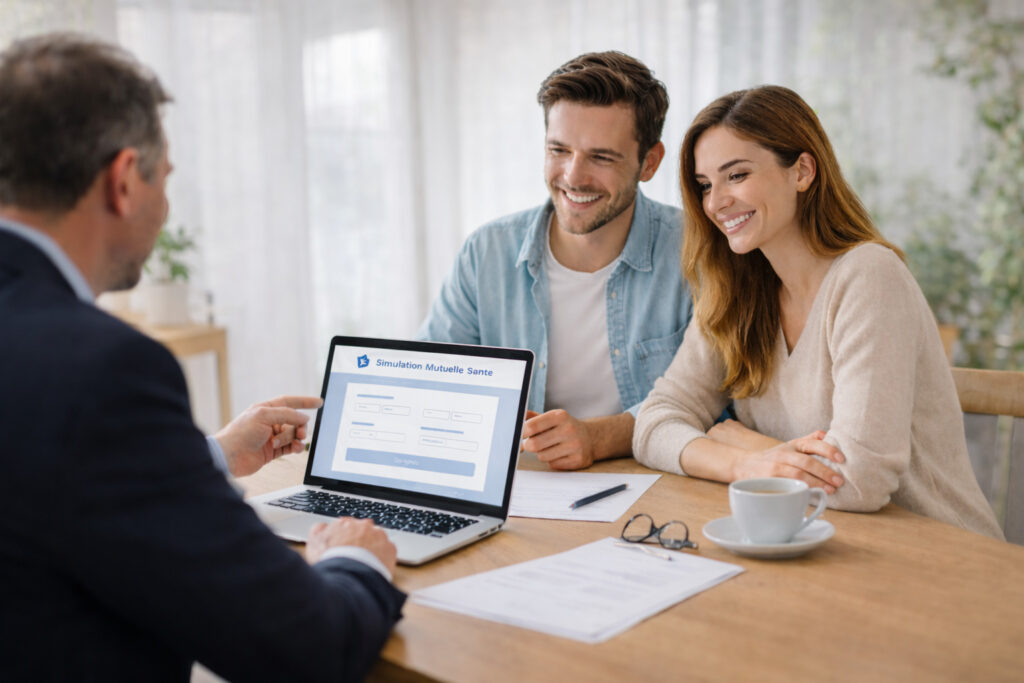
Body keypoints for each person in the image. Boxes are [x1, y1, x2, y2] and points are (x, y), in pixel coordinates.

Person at [0, 33, 405, 682]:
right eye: (167, 179)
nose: (165, 209)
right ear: (125, 179)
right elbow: (302, 647)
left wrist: (207, 454)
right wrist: (355, 559)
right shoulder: (102, 369)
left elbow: (41, 469)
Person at [633, 85, 1003, 539]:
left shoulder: (869, 277)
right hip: (820, 545)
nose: (716, 202)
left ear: (803, 171)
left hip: (938, 554)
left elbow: (857, 481)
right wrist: (745, 460)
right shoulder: (735, 292)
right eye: (706, 185)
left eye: (737, 175)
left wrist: (737, 436)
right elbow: (653, 423)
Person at [418, 51, 692, 471]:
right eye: (559, 150)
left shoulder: (696, 253)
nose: (573, 176)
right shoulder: (486, 253)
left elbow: (719, 402)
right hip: (522, 492)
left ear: (649, 162)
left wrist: (599, 437)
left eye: (601, 157)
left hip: (657, 486)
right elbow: (430, 381)